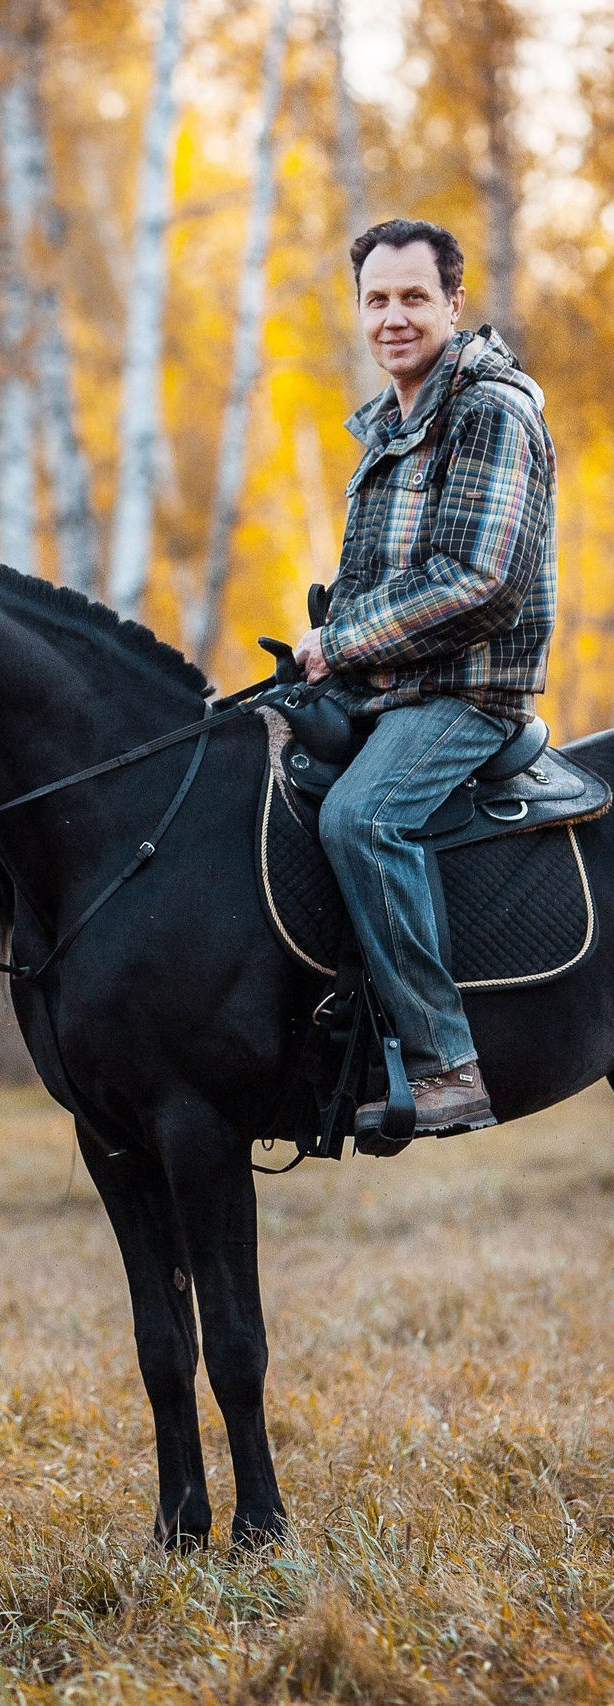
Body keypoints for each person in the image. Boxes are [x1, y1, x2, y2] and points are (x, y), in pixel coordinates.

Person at [292, 219, 556, 1135]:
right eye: (376, 300)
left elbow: (481, 581)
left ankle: (446, 1063)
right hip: (386, 684)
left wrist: (345, 640)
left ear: (452, 302)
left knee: (362, 817)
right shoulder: (393, 422)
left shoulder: (487, 409)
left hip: (465, 694)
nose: (392, 317)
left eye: (412, 297)